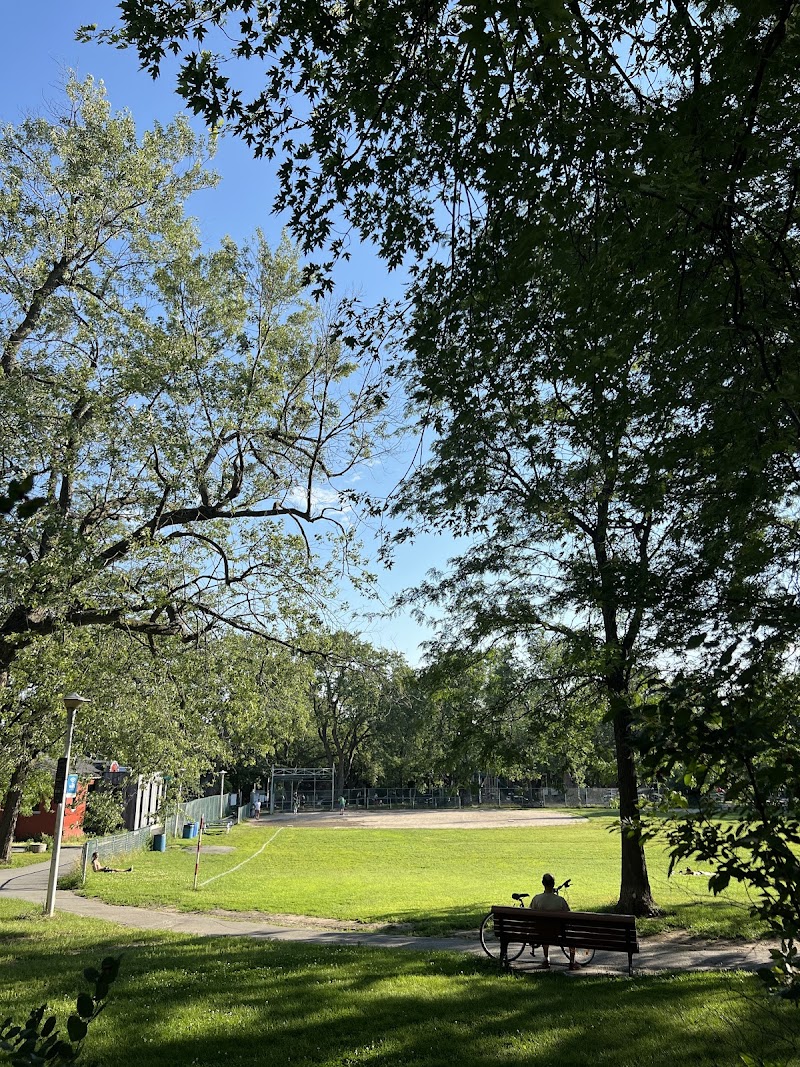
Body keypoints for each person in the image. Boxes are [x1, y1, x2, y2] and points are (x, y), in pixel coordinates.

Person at [530, 872, 576, 970]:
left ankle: (546, 959)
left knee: (544, 928)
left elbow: (531, 915)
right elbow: (569, 916)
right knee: (571, 935)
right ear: (553, 884)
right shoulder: (560, 901)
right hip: (558, 934)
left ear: (543, 883)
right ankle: (572, 962)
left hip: (540, 933)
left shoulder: (537, 899)